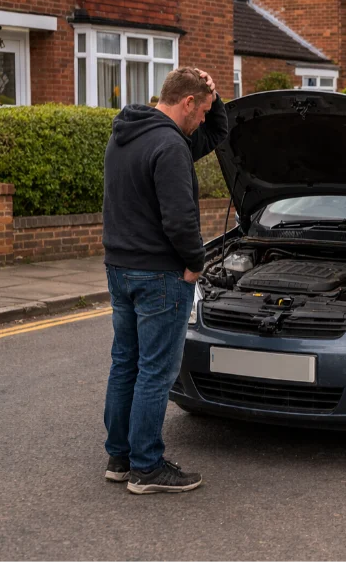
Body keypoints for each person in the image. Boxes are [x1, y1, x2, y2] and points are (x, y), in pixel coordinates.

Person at [101, 67, 229, 494]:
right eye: (204, 109)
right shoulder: (169, 145)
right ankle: (147, 467)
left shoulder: (127, 135)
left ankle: (120, 458)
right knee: (156, 372)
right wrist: (196, 261)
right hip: (160, 274)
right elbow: (179, 219)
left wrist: (216, 95)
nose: (204, 120)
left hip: (120, 268)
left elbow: (215, 136)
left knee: (126, 365)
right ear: (187, 103)